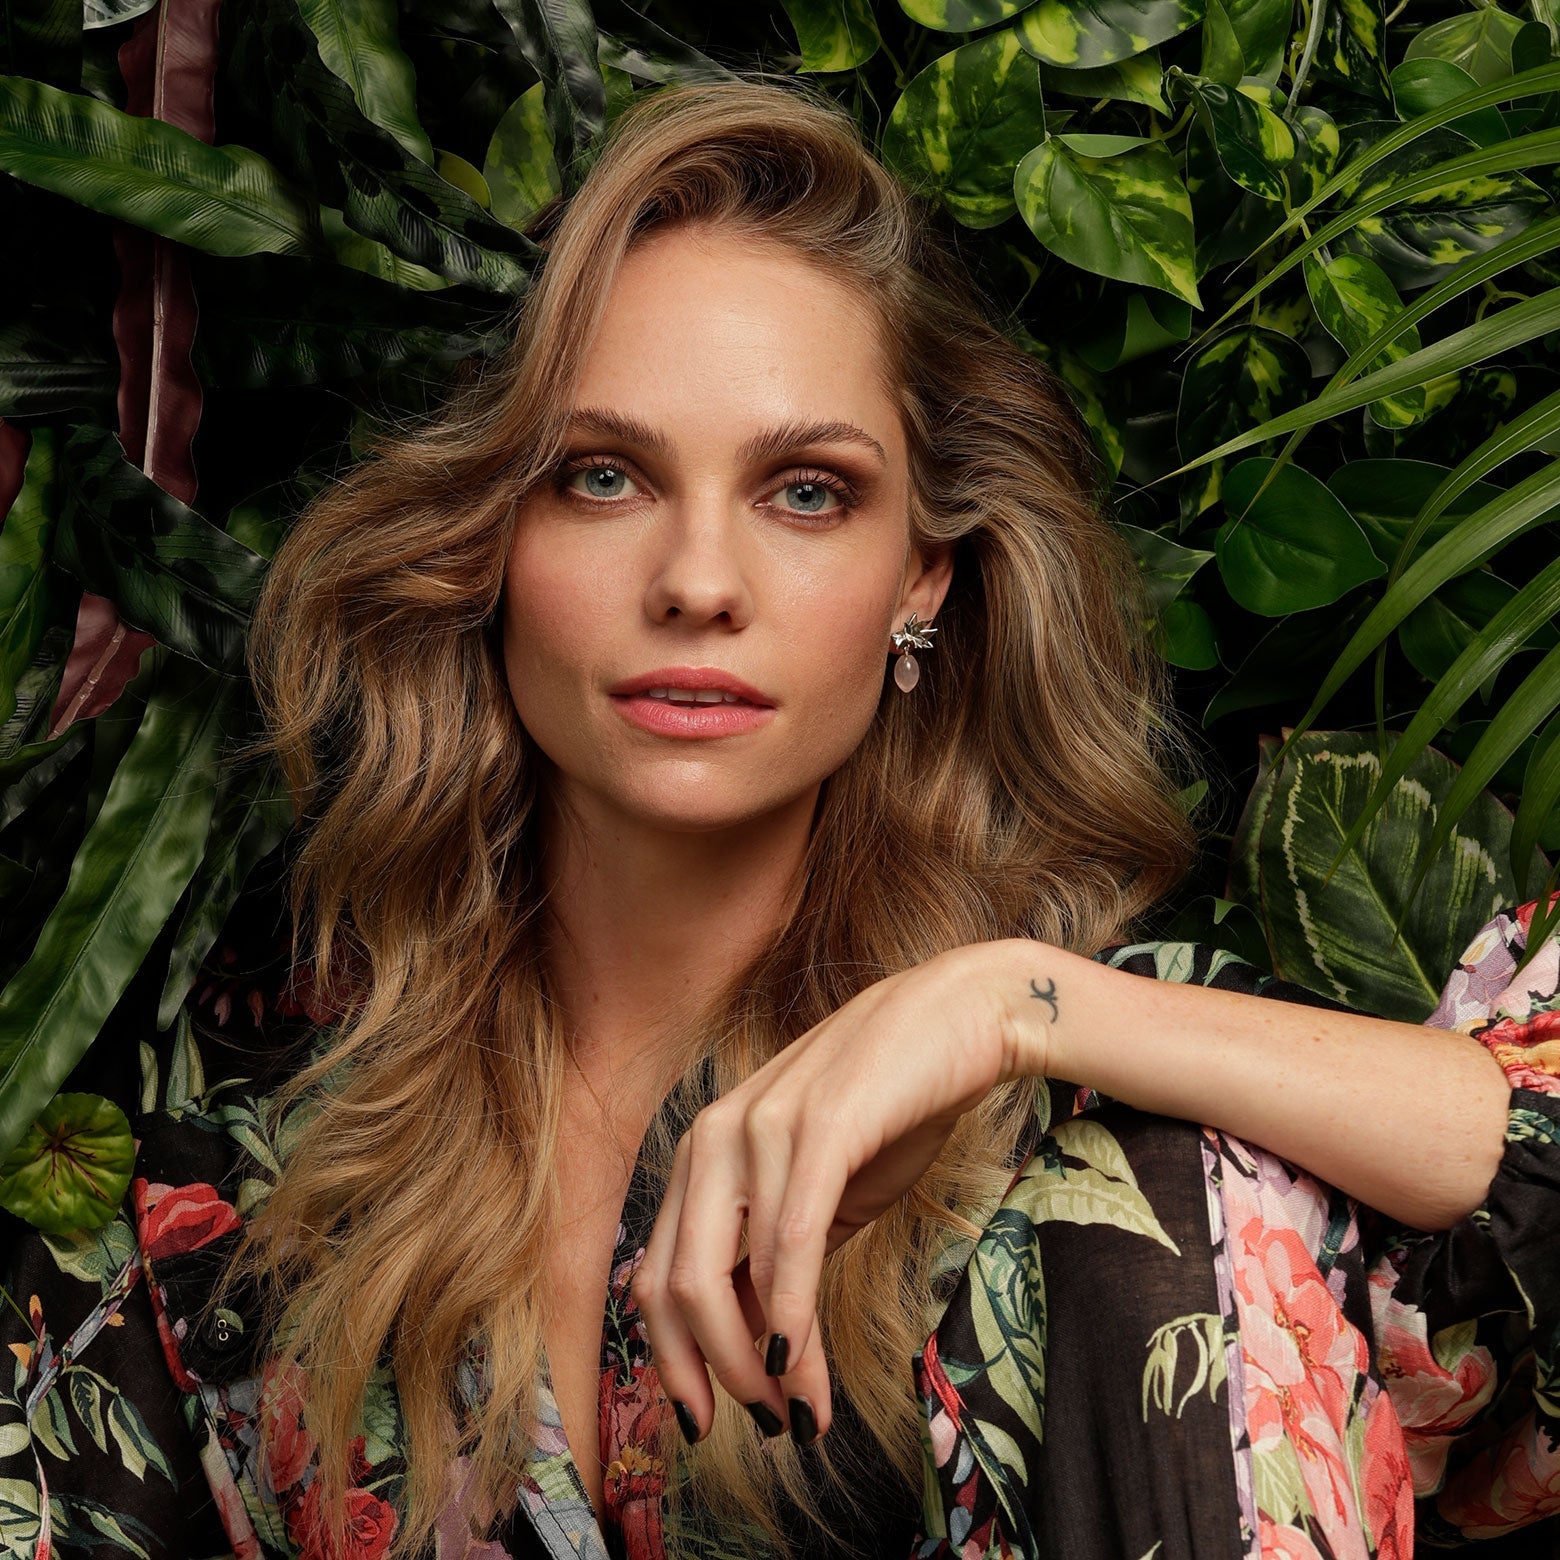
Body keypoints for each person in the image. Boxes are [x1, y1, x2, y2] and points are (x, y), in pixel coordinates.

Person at [2, 77, 1557, 1560]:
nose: (699, 582)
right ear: (493, 536)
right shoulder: (255, 1115)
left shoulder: (1093, 1111)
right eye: (602, 477)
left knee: (1145, 1197)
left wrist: (1012, 1006)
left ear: (923, 577)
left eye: (806, 491)